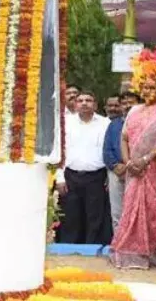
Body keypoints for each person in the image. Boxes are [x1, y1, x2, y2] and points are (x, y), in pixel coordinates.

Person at [109, 80, 156, 269]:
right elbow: (124, 139)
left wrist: (146, 159)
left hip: (155, 167)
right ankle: (133, 250)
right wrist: (129, 161)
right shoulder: (133, 110)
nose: (148, 91)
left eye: (152, 87)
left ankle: (155, 252)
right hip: (134, 170)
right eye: (145, 88)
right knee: (130, 209)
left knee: (154, 210)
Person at [56, 90, 110, 244]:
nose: (84, 103)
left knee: (95, 216)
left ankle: (92, 249)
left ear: (95, 104)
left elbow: (108, 149)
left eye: (88, 100)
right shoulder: (65, 123)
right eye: (80, 100)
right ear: (75, 104)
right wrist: (59, 177)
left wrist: (108, 176)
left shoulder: (105, 123)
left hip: (97, 177)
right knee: (70, 215)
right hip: (71, 176)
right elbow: (60, 151)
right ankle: (69, 248)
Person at [103, 95, 128, 233]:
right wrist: (115, 166)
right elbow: (107, 149)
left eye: (130, 103)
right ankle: (118, 244)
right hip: (115, 172)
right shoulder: (114, 124)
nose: (127, 106)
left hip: (137, 171)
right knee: (117, 211)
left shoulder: (141, 122)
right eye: (124, 103)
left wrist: (128, 167)